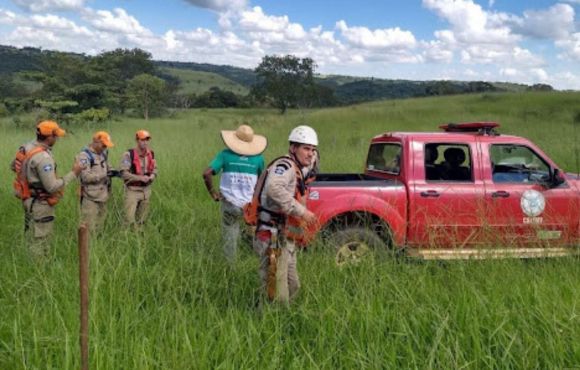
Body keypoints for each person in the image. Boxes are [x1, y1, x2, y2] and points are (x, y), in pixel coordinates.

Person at [253, 125, 318, 305]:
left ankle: (285, 318)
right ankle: (267, 321)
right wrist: (302, 211)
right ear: (292, 148)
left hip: (285, 236)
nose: (310, 153)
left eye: (313, 149)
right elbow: (274, 188)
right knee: (275, 290)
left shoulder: (297, 169)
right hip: (272, 234)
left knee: (293, 285)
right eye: (306, 148)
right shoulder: (285, 165)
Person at [11, 120, 82, 259]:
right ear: (49, 137)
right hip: (40, 203)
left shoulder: (26, 147)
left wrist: (30, 177)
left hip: (28, 198)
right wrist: (74, 173)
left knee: (32, 233)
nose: (56, 139)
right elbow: (51, 187)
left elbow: (14, 166)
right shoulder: (43, 158)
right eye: (55, 136)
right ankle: (40, 267)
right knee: (41, 238)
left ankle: (34, 262)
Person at [203, 124, 267, 263]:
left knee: (230, 238)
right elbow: (263, 181)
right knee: (256, 235)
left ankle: (230, 268)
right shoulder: (258, 158)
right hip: (251, 206)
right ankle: (259, 262)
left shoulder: (225, 155)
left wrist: (213, 193)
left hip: (230, 204)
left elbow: (206, 173)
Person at [76, 131, 115, 232]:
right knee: (89, 228)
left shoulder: (103, 154)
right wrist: (104, 175)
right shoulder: (84, 156)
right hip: (90, 198)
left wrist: (113, 171)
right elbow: (85, 177)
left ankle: (98, 246)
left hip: (103, 196)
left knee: (100, 227)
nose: (105, 147)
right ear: (96, 142)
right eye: (103, 145)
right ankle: (88, 247)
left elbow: (107, 166)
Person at [119, 130, 157, 227]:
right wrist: (140, 178)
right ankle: (127, 236)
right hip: (132, 191)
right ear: (137, 140)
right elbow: (123, 173)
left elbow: (155, 169)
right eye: (142, 139)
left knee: (142, 220)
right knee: (129, 220)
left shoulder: (151, 154)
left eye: (147, 140)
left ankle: (140, 237)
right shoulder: (128, 155)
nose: (145, 142)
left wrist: (152, 176)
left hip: (146, 191)